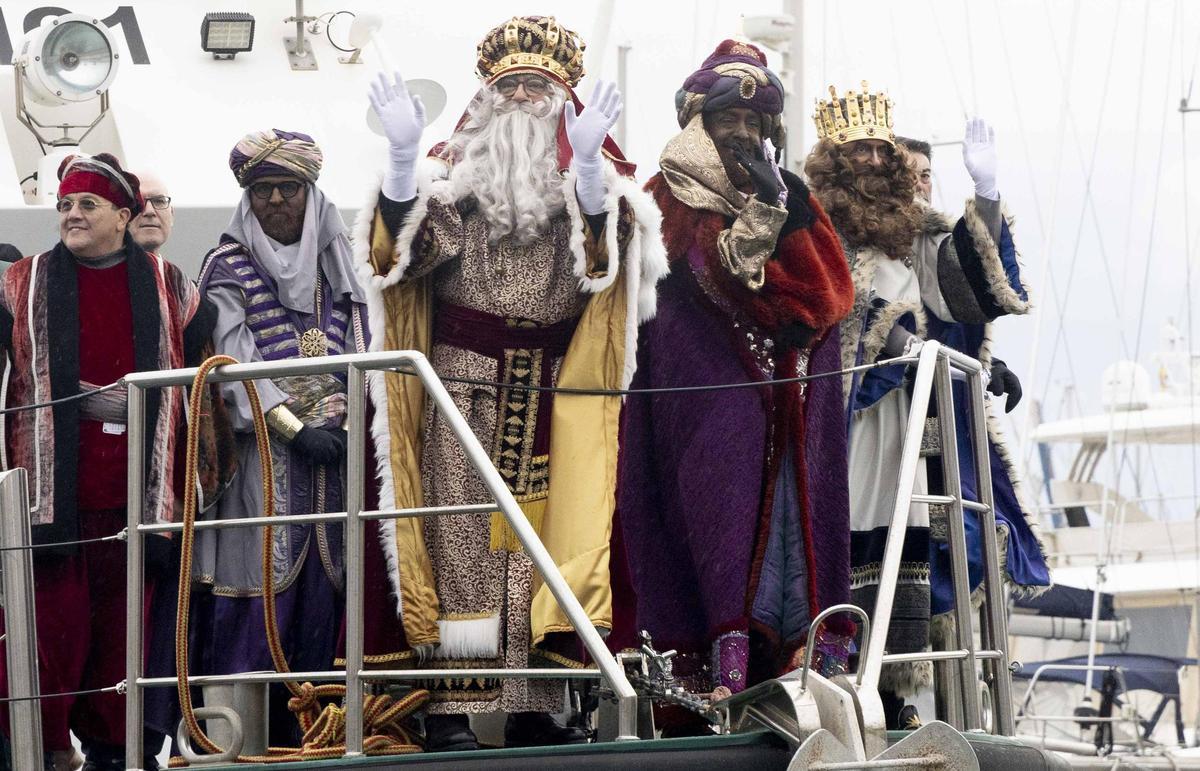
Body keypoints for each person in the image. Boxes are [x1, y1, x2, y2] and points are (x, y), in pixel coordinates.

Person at [355, 15, 665, 751]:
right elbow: (396, 257)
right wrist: (402, 161)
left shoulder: (588, 191)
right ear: (486, 101)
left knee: (543, 547)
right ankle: (454, 710)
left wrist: (590, 174)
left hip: (554, 390)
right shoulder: (455, 188)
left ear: (565, 104)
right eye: (510, 86)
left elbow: (604, 269)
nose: (524, 99)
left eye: (540, 87)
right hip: (461, 385)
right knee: (463, 539)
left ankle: (541, 705)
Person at [610, 40, 856, 733]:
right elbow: (709, 278)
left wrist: (782, 210)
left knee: (794, 534)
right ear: (700, 122)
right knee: (707, 525)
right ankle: (712, 685)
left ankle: (796, 676)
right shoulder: (670, 196)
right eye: (728, 120)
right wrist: (764, 218)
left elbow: (829, 293)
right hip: (704, 404)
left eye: (755, 123)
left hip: (793, 408)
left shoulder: (794, 197)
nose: (744, 133)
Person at [805, 85, 1049, 726]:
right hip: (838, 411)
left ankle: (889, 692)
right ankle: (831, 675)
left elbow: (962, 293)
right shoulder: (813, 224)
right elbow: (827, 303)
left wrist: (988, 198)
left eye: (875, 151)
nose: (867, 163)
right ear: (834, 160)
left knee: (905, 540)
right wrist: (890, 334)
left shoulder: (909, 232)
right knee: (836, 532)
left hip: (905, 415)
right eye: (853, 151)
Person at [0, 153, 213, 771]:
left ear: (125, 215)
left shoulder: (174, 287)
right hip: (50, 500)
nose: (71, 215)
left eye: (87, 205)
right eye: (64, 206)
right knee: (51, 639)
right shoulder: (21, 283)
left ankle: (116, 754)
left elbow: (205, 378)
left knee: (124, 640)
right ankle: (45, 751)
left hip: (138, 500)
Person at [194, 130, 368, 745]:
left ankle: (318, 743)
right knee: (254, 602)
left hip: (338, 458)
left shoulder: (338, 261)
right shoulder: (226, 268)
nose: (275, 201)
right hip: (264, 460)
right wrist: (294, 428)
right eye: (263, 190)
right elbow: (231, 367)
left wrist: (347, 421)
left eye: (287, 188)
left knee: (330, 600)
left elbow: (364, 344)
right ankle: (242, 745)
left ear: (309, 193)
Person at [127, 170, 174, 253]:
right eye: (138, 202)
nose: (149, 211)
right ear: (121, 216)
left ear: (172, 215)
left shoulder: (171, 266)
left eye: (159, 201)